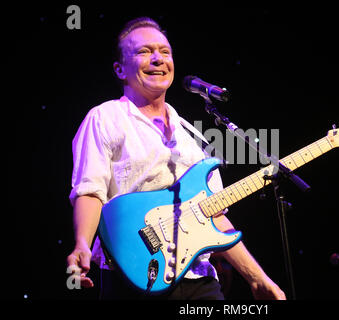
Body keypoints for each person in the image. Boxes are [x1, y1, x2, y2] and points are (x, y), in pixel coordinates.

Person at [66, 16, 286, 300]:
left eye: (165, 52)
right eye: (144, 51)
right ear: (120, 69)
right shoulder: (105, 118)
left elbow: (214, 215)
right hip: (134, 274)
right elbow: (89, 189)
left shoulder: (193, 135)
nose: (158, 58)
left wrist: (257, 279)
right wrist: (82, 242)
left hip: (199, 278)